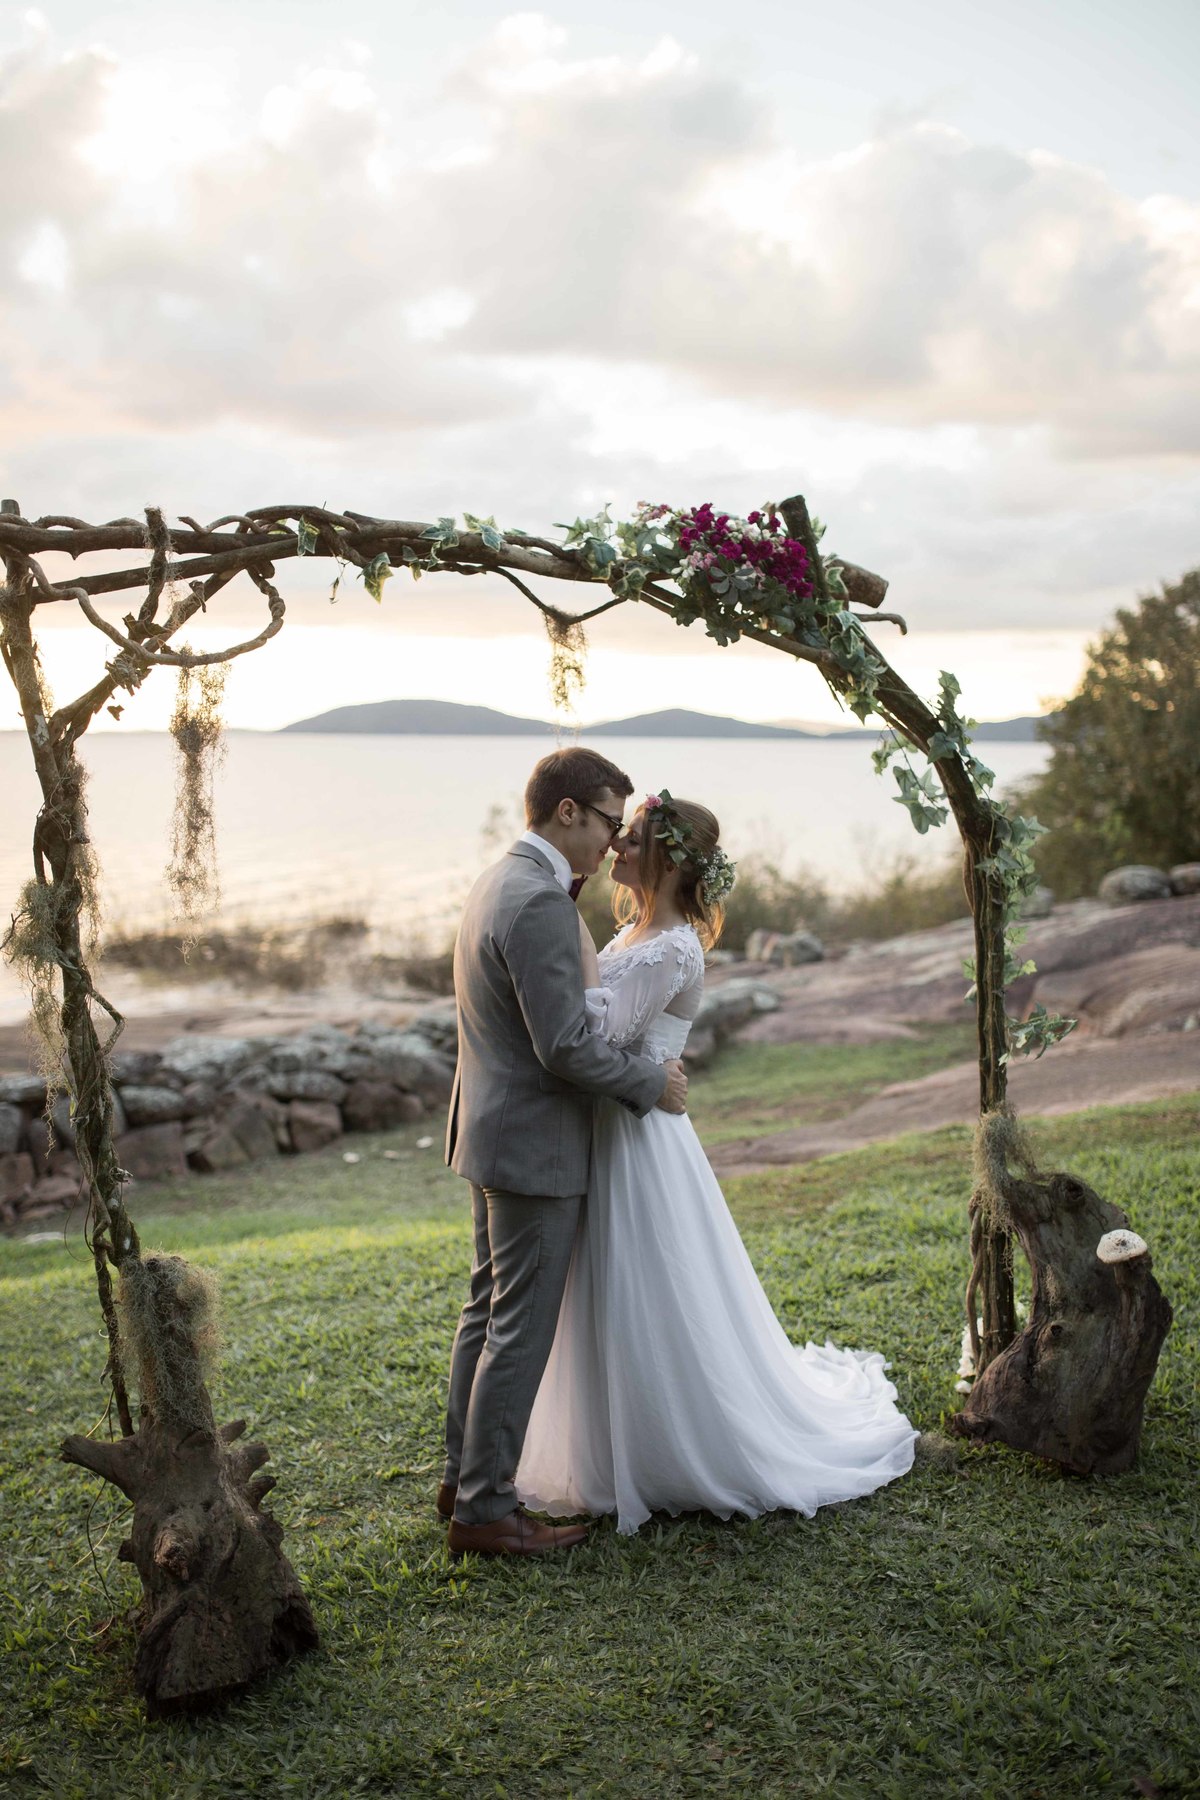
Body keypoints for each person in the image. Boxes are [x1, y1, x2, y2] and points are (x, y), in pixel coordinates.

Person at [516, 791, 918, 1534]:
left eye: (630, 840)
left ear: (665, 859)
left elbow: (602, 1033)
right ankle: (600, 1439)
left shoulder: (672, 945)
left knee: (646, 1285)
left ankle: (667, 1445)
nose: (615, 851)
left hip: (639, 1141)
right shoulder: (637, 929)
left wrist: (567, 940)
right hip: (613, 1125)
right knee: (598, 1286)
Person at [441, 748, 689, 1558]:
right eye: (611, 823)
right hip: (535, 1143)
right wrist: (651, 1086)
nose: (615, 845)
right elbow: (565, 1049)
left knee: (485, 1316)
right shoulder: (542, 903)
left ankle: (463, 1478)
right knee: (517, 1329)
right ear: (570, 812)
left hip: (489, 1133)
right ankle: (484, 1512)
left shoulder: (496, 880)